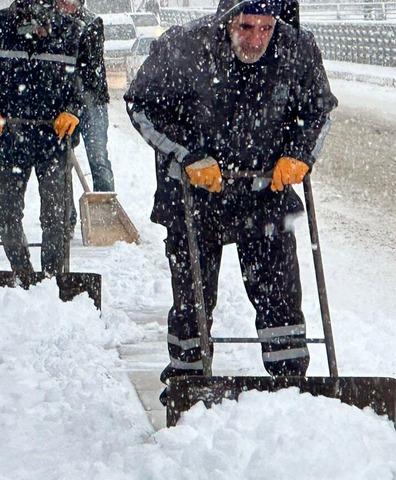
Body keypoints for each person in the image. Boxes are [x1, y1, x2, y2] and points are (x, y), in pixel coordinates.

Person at [124, 0, 337, 400]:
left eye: (265, 28)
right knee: (193, 297)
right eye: (246, 26)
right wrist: (188, 155)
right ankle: (187, 381)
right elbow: (142, 104)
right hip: (195, 194)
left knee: (280, 295)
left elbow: (319, 109)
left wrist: (299, 154)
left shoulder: (297, 48)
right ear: (227, 20)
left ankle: (290, 385)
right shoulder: (185, 45)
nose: (256, 38)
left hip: (265, 193)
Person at [0, 0, 83, 282]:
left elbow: (85, 80)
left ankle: (53, 279)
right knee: (6, 216)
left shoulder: (71, 32)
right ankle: (25, 274)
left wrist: (73, 110)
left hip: (54, 141)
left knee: (56, 219)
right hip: (8, 139)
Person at [56, 0, 114, 192]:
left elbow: (90, 71)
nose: (66, 4)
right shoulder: (52, 24)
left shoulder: (91, 23)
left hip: (92, 101)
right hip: (64, 102)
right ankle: (66, 216)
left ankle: (104, 210)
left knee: (98, 159)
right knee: (62, 160)